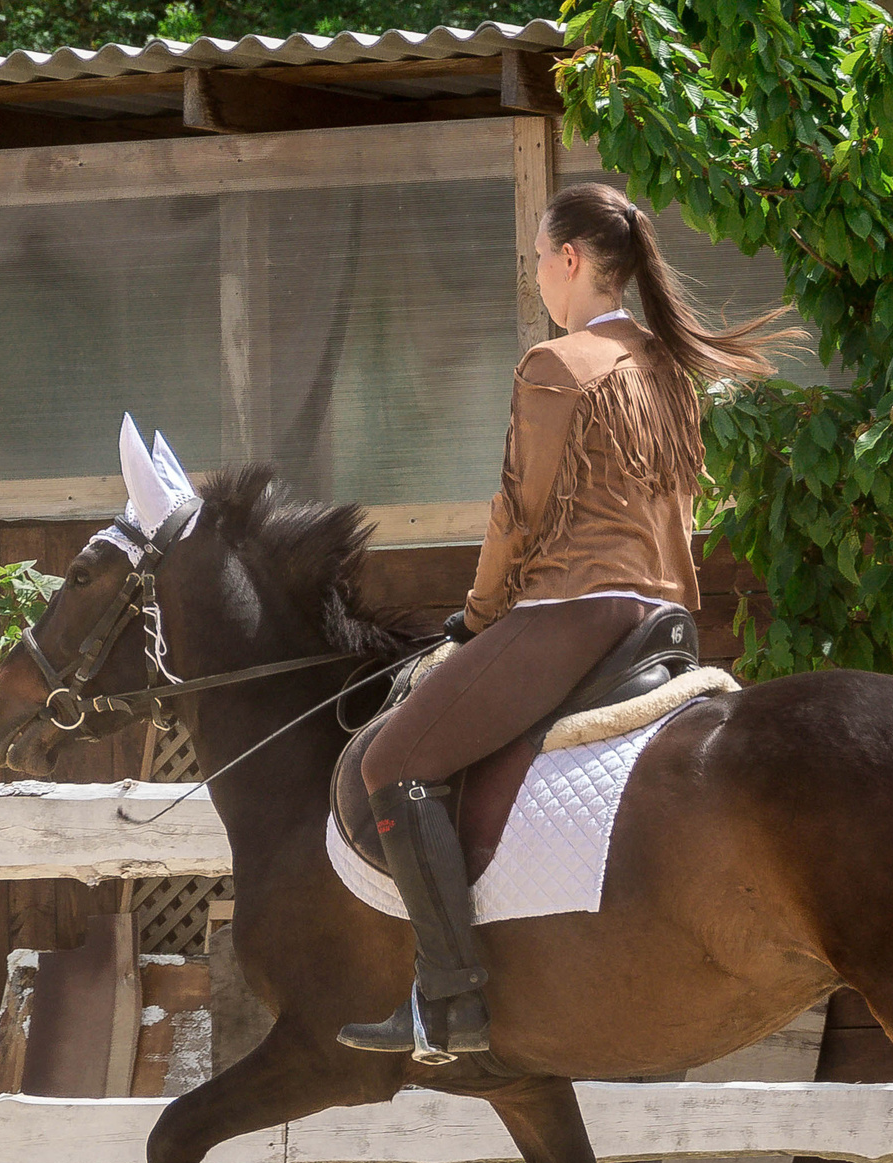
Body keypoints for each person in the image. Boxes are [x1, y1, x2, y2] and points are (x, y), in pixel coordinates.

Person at [338, 181, 791, 1059]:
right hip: (664, 619)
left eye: (540, 259)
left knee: (393, 760)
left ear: (572, 262)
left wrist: (473, 620)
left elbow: (518, 513)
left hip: (572, 614)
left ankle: (449, 1000)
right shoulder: (669, 371)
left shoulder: (556, 366)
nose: (538, 275)